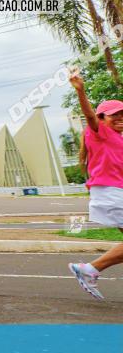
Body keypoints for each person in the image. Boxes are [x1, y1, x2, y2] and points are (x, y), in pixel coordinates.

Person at [68, 71, 123, 300]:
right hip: (110, 193)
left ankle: (89, 270)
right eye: (113, 115)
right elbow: (89, 115)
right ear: (102, 118)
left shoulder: (118, 139)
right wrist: (81, 90)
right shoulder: (98, 132)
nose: (119, 118)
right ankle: (89, 269)